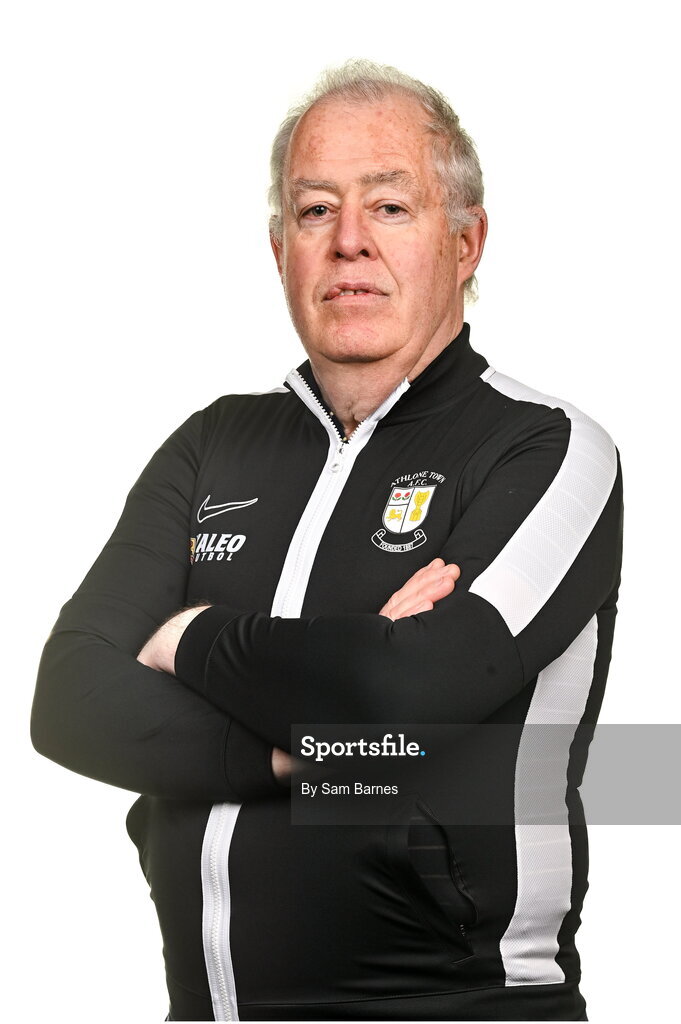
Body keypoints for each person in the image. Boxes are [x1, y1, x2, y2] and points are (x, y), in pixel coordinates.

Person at [32, 59, 622, 1022]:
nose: (348, 243)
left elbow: (410, 689)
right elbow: (68, 700)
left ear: (465, 241)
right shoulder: (212, 444)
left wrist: (188, 640)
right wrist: (297, 751)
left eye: (389, 207)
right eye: (315, 211)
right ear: (279, 249)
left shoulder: (544, 449)